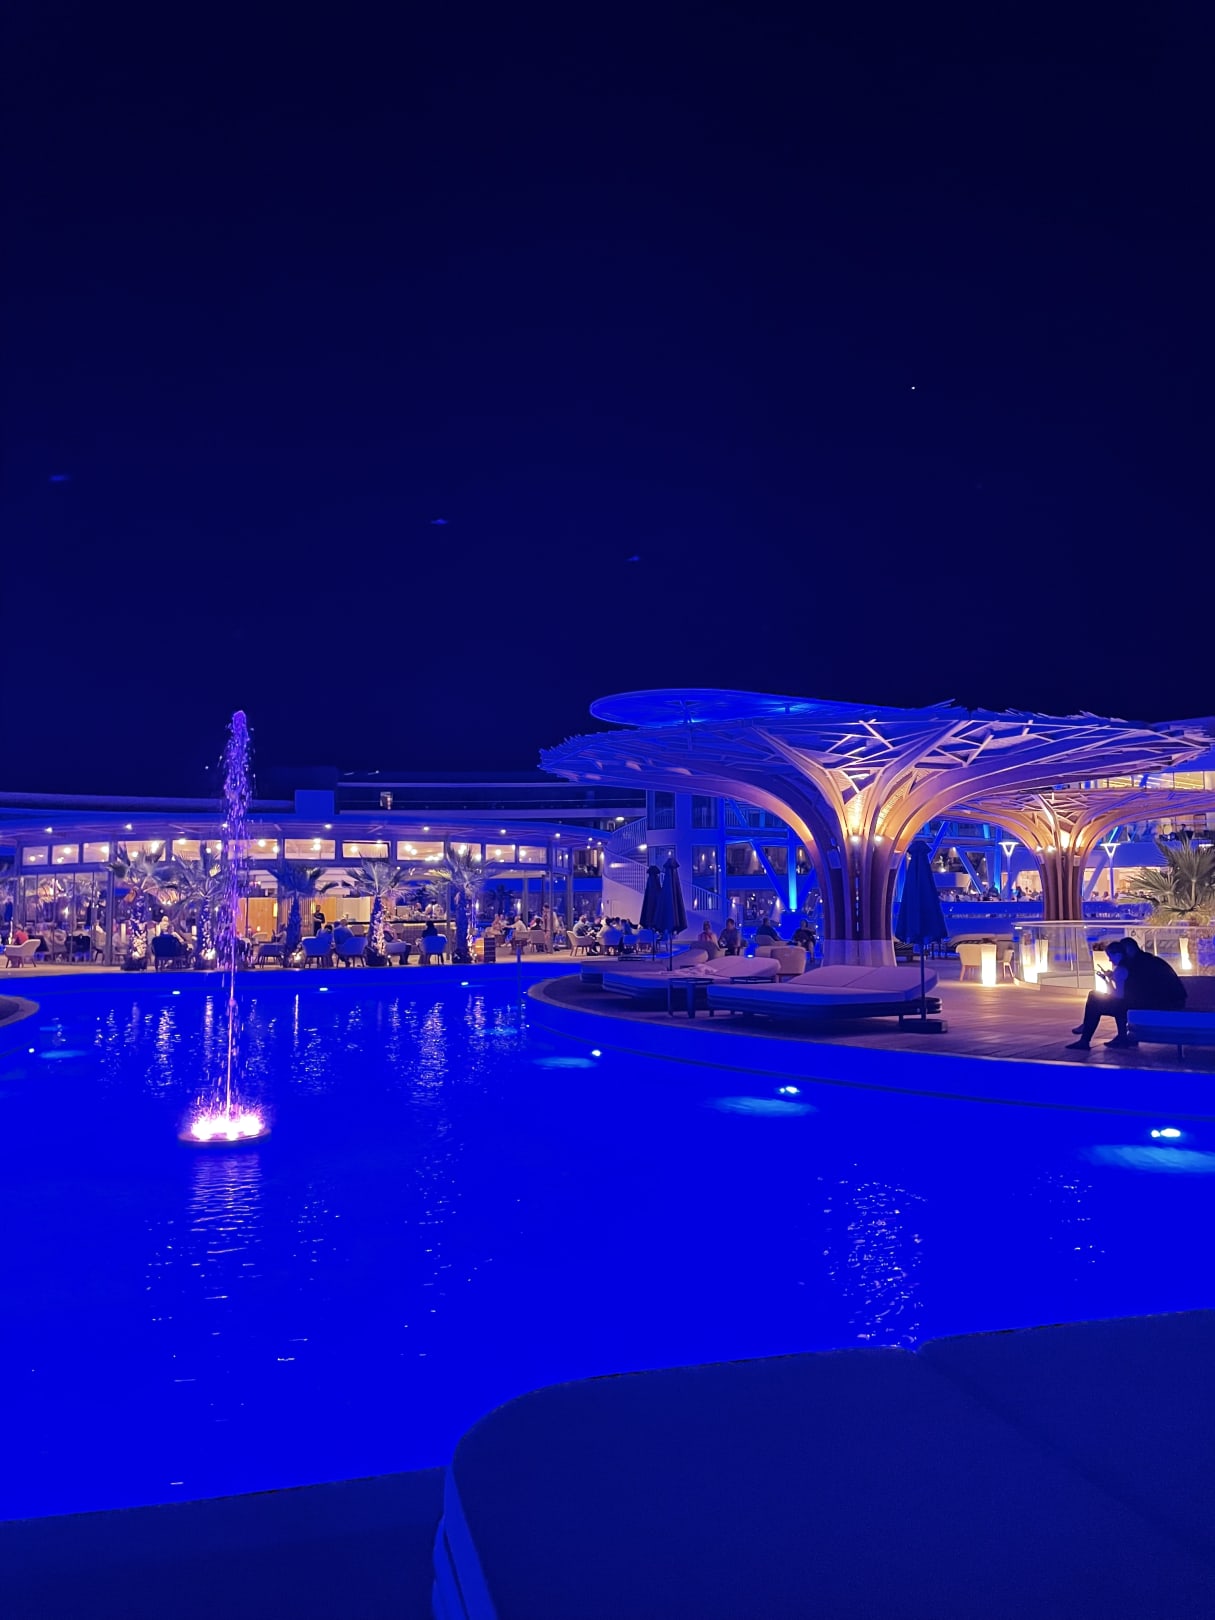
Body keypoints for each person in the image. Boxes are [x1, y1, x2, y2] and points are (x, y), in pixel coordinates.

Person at [1066, 938, 1186, 1051]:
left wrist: (1113, 979)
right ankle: (1121, 1037)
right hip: (1170, 1002)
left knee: (1095, 998)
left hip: (1157, 1004)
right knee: (1121, 1002)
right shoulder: (1148, 960)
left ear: (1126, 951)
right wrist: (1115, 979)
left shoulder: (1130, 966)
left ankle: (1086, 1038)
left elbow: (1122, 995)